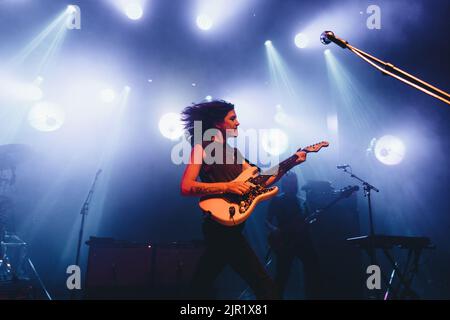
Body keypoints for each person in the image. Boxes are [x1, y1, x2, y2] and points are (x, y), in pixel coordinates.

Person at [180, 100, 307, 299]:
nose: (238, 123)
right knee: (265, 288)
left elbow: (262, 182)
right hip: (219, 227)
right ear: (217, 123)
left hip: (231, 227)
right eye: (232, 118)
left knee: (200, 285)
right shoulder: (202, 148)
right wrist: (227, 186)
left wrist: (291, 162)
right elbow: (186, 186)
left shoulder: (236, 154)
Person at [265, 172, 323, 299]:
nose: (292, 185)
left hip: (302, 240)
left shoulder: (302, 201)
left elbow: (307, 222)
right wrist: (274, 229)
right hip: (285, 242)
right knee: (282, 275)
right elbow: (267, 220)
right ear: (284, 184)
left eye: (293, 182)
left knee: (314, 268)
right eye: (289, 182)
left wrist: (310, 221)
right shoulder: (277, 200)